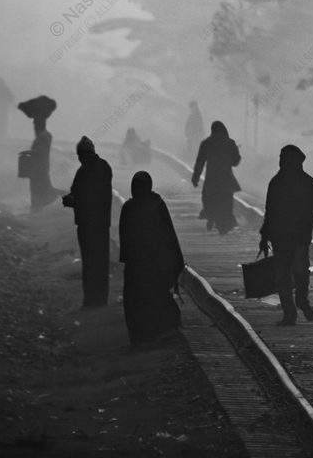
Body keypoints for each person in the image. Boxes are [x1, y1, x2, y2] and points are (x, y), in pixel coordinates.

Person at [259, 145, 313, 326]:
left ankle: (297, 305)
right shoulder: (302, 182)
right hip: (292, 236)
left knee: (288, 275)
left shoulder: (280, 182)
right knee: (294, 273)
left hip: (289, 237)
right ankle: (294, 308)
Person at [118, 171, 185, 346]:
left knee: (136, 301)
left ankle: (140, 339)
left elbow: (124, 238)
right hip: (154, 263)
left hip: (136, 265)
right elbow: (169, 234)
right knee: (155, 297)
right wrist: (175, 260)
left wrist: (128, 258)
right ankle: (157, 334)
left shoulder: (129, 208)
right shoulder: (157, 205)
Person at [62, 136, 113, 309]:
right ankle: (101, 299)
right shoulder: (105, 167)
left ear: (81, 155)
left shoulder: (83, 172)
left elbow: (80, 197)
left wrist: (69, 200)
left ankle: (90, 300)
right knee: (101, 261)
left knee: (89, 262)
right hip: (102, 223)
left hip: (86, 224)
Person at [191, 121, 242, 234]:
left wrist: (195, 177)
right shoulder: (229, 143)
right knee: (227, 202)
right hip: (226, 180)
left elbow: (200, 162)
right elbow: (235, 161)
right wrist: (237, 152)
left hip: (211, 179)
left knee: (208, 198)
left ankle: (210, 215)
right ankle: (226, 223)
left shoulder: (206, 143)